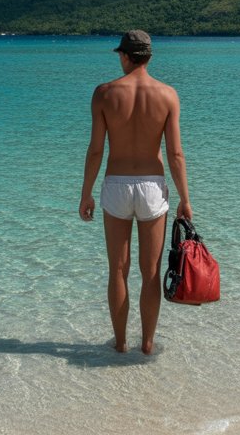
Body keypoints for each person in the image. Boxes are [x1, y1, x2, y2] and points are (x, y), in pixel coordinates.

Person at [79, 30, 191, 354]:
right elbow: (175, 154)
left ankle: (120, 344)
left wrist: (86, 193)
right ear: (149, 57)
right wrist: (185, 198)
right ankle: (147, 344)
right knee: (151, 271)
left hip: (116, 184)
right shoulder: (167, 95)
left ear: (125, 56)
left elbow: (96, 150)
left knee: (118, 269)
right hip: (152, 186)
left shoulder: (104, 93)